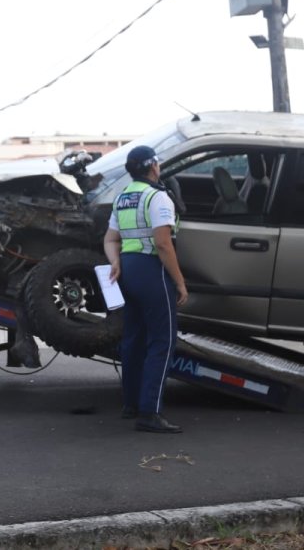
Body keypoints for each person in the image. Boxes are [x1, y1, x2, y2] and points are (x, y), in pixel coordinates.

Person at [102, 145, 188, 433]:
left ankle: (131, 404)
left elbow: (110, 239)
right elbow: (163, 244)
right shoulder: (158, 197)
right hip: (151, 270)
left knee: (134, 339)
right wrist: (179, 282)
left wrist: (115, 263)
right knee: (161, 342)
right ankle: (150, 412)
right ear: (153, 166)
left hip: (127, 270)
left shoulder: (123, 197)